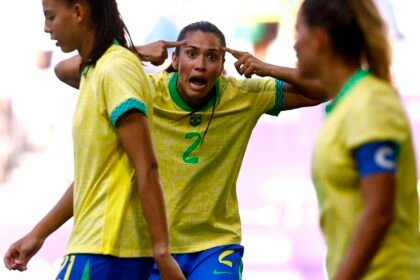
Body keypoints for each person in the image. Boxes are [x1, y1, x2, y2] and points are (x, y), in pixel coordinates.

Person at [54, 21, 327, 279]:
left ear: (222, 66)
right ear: (175, 60)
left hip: (214, 247)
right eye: (192, 54)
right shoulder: (144, 89)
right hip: (150, 247)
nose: (200, 65)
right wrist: (133, 53)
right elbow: (64, 70)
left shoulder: (244, 95)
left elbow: (323, 88)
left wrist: (265, 68)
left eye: (211, 57)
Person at [3, 0, 185, 279]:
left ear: (78, 12)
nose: (46, 27)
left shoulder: (116, 69)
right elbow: (93, 178)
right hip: (99, 247)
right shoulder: (97, 70)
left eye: (50, 17)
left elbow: (147, 167)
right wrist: (38, 235)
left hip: (106, 251)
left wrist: (162, 253)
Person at [294, 0, 420, 279]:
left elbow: (379, 212)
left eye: (298, 33)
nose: (294, 45)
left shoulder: (370, 102)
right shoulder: (347, 105)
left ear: (319, 40)